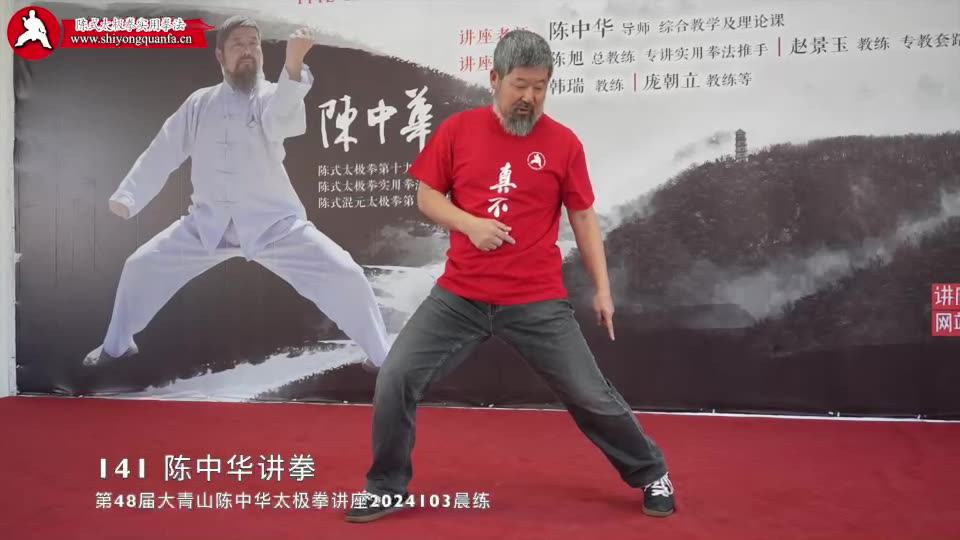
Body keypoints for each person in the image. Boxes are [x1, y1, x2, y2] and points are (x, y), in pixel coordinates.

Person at [345, 29, 675, 523]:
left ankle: (652, 473)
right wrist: (469, 224)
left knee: (590, 394)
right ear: (495, 78)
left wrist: (603, 289)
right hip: (460, 296)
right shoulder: (459, 130)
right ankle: (386, 486)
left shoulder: (563, 143)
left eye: (540, 87)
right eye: (520, 85)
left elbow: (583, 216)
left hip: (536, 299)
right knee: (396, 377)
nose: (530, 98)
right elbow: (427, 196)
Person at [83, 17, 391, 372]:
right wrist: (129, 196)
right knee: (140, 267)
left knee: (345, 273)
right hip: (207, 224)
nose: (247, 51)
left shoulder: (270, 95)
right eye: (238, 44)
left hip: (273, 223)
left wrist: (293, 62)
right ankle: (117, 346)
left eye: (253, 44)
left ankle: (382, 356)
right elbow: (163, 150)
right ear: (220, 56)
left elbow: (282, 119)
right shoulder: (200, 103)